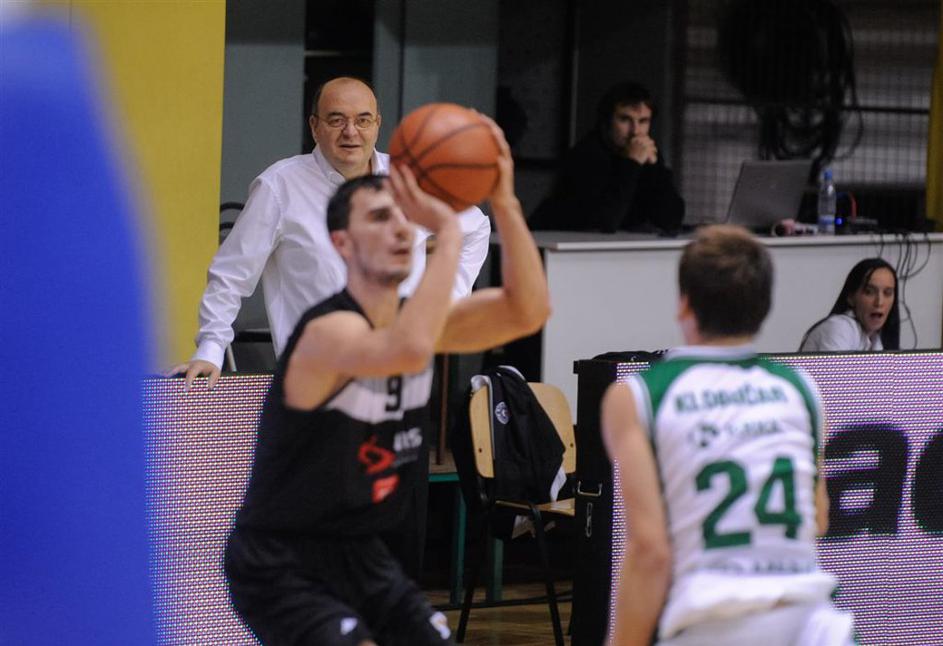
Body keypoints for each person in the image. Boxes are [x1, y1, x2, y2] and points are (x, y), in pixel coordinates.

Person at [224, 120, 549, 646]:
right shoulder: (328, 331)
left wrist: (505, 203)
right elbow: (410, 347)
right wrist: (448, 234)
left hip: (365, 553)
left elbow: (528, 309)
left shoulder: (415, 320)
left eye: (403, 217)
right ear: (341, 243)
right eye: (379, 218)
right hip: (285, 559)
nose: (399, 229)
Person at [601, 225, 855, 646]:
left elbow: (650, 551)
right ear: (764, 307)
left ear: (684, 304)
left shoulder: (640, 395)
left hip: (714, 620)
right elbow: (819, 518)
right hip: (813, 625)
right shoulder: (800, 388)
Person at [167, 76, 491, 389]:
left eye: (363, 120)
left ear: (377, 124)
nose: (351, 132)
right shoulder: (280, 186)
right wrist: (210, 349)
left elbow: (475, 227)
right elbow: (231, 274)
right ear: (314, 126)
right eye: (336, 120)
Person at [528, 81, 684, 233]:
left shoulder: (645, 152)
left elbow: (671, 220)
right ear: (607, 121)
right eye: (624, 119)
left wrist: (654, 168)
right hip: (547, 241)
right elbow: (604, 222)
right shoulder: (586, 154)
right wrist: (632, 163)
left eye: (643, 121)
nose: (635, 131)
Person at [799, 258, 899, 352]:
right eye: (869, 292)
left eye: (888, 293)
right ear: (851, 297)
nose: (879, 302)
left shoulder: (876, 338)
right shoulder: (840, 327)